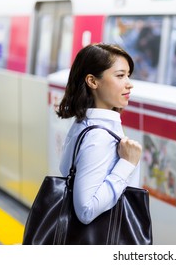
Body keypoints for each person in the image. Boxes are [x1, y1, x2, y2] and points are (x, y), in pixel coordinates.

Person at [56, 43, 142, 225]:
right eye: (120, 76)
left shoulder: (84, 123)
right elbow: (86, 210)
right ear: (92, 81)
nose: (129, 84)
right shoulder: (99, 137)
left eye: (128, 75)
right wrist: (127, 163)